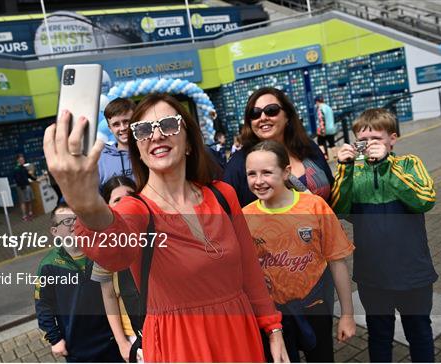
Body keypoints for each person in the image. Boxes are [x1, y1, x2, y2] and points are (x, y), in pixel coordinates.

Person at [44, 93, 289, 362]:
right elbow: (114, 252)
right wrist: (86, 203)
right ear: (137, 147)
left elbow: (250, 270)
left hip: (239, 334)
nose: (156, 135)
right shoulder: (135, 209)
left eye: (169, 125)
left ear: (188, 142)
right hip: (179, 345)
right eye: (144, 130)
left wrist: (273, 328)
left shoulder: (223, 195)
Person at [331, 108, 437, 362]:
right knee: (379, 335)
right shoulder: (354, 172)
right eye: (363, 141)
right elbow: (339, 210)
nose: (369, 146)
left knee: (419, 332)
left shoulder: (408, 163)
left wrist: (387, 164)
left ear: (393, 139)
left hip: (414, 272)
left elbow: (425, 200)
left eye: (376, 140)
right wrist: (344, 169)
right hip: (372, 275)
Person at [243, 140, 356, 362]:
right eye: (251, 174)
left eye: (267, 172)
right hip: (274, 317)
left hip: (315, 306)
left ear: (286, 172)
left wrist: (347, 314)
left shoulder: (314, 207)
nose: (258, 181)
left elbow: (337, 262)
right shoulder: (244, 217)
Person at [34, 202, 122, 362]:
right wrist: (55, 339)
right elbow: (43, 306)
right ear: (54, 231)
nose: (74, 224)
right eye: (67, 221)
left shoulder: (99, 252)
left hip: (111, 340)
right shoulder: (48, 265)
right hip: (76, 348)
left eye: (77, 219)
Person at [224, 87, 334, 207]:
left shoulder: (307, 146)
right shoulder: (238, 165)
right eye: (255, 113)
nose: (263, 117)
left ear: (287, 115)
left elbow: (332, 188)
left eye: (271, 110)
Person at [91, 176, 143, 362]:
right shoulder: (104, 246)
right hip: (137, 336)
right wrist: (122, 342)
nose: (125, 204)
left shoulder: (155, 233)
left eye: (131, 196)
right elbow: (109, 296)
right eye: (117, 200)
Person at [98, 98, 136, 187]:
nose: (122, 128)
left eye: (126, 122)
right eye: (116, 124)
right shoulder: (100, 160)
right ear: (110, 128)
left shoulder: (149, 151)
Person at [13, 153, 36, 221]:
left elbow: (28, 175)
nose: (22, 161)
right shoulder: (16, 168)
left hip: (27, 185)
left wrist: (35, 179)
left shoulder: (24, 167)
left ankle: (30, 213)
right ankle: (24, 216)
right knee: (23, 201)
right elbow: (17, 179)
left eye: (23, 159)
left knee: (29, 200)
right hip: (21, 187)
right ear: (17, 160)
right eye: (20, 160)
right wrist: (23, 186)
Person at [314, 96, 336, 160]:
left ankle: (324, 155)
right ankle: (335, 155)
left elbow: (321, 119)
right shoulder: (329, 107)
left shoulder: (320, 108)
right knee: (332, 143)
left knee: (320, 142)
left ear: (317, 102)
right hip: (331, 128)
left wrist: (322, 130)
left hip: (324, 129)